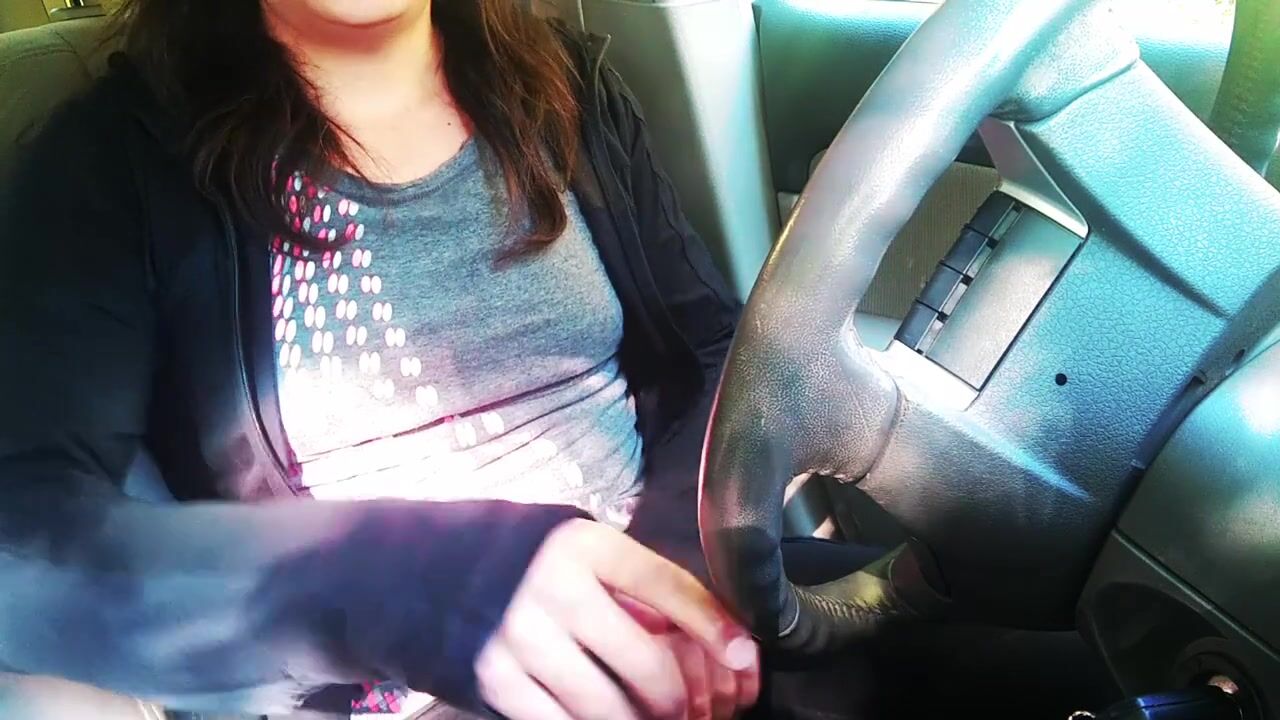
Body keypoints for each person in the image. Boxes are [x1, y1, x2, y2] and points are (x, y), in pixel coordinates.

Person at [0, 1, 761, 718]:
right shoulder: (114, 159)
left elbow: (717, 349)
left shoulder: (568, 85)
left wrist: (669, 575)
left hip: (682, 632)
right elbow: (22, 545)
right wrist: (412, 586)